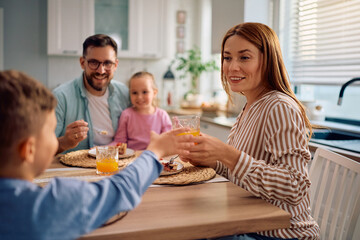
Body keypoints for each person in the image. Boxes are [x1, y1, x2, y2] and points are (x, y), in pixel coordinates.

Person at [0, 70, 193, 240]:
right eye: (51, 132)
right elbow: (119, 190)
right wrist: (155, 151)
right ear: (28, 150)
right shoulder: (47, 207)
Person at [181, 23, 320, 240]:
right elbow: (243, 174)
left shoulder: (279, 106)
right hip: (250, 223)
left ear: (268, 60)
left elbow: (295, 186)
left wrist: (227, 154)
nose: (232, 67)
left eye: (244, 57)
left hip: (280, 233)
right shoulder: (250, 105)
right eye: (227, 58)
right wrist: (210, 159)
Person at [53, 34, 131, 154]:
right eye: (94, 63)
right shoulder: (60, 97)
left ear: (115, 65)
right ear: (82, 62)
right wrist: (65, 142)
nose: (101, 70)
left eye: (107, 63)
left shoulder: (125, 94)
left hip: (117, 167)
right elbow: (40, 148)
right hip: (74, 170)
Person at [110, 71, 172, 150]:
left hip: (155, 156)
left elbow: (167, 142)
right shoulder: (126, 115)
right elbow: (119, 141)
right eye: (134, 92)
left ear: (154, 93)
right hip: (132, 158)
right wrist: (100, 149)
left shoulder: (162, 115)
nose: (139, 97)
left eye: (144, 92)